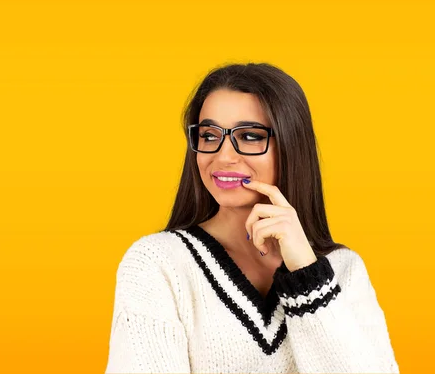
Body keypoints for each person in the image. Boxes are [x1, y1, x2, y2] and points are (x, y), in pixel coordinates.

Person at [104, 63, 399, 373]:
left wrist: (306, 276)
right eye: (208, 135)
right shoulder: (157, 264)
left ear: (290, 145)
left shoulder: (343, 270)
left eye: (249, 136)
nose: (224, 156)